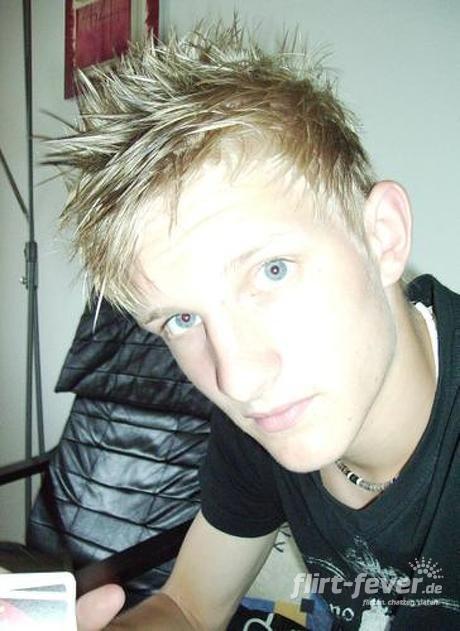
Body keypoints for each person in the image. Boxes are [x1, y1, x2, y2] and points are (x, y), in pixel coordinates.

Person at [48, 21, 459, 631]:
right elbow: (189, 606)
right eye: (183, 319)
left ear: (383, 237)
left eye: (272, 270)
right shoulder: (265, 419)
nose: (236, 379)